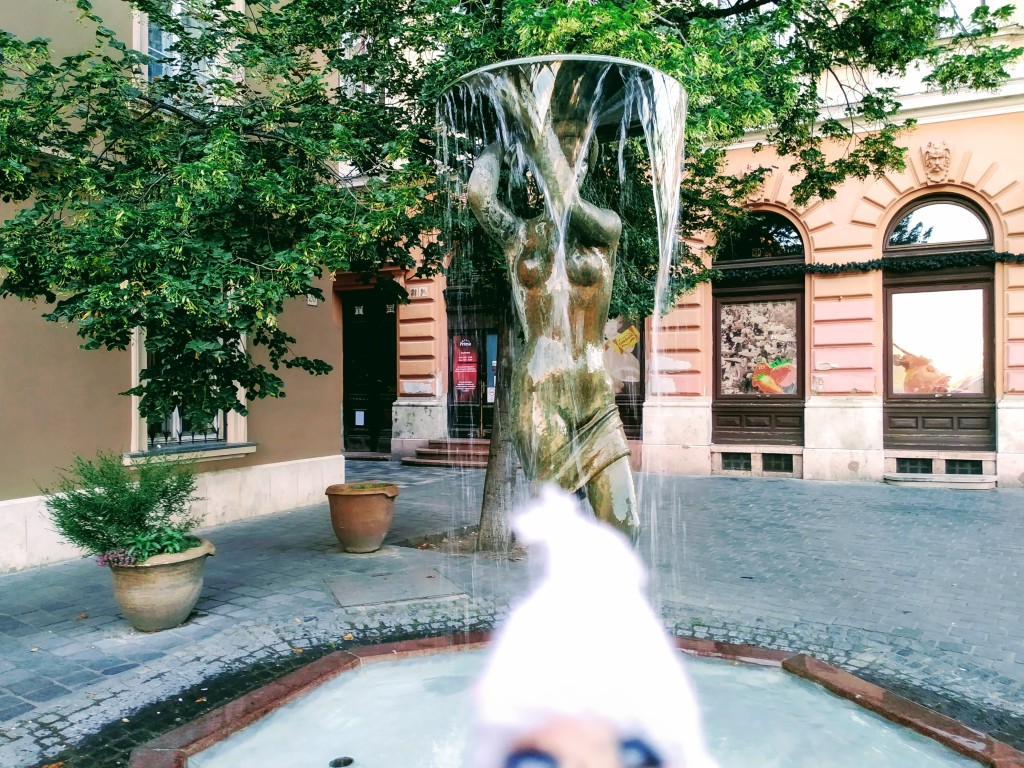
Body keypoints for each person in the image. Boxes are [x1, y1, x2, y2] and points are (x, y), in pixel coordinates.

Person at [466, 113, 638, 543]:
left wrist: (535, 129)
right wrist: (502, 143)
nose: (564, 153)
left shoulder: (605, 228)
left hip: (592, 389)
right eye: (556, 145)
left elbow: (567, 202)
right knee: (557, 524)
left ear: (587, 162)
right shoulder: (520, 236)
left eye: (574, 144)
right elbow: (479, 197)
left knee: (624, 524)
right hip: (539, 387)